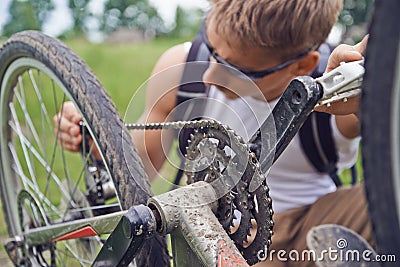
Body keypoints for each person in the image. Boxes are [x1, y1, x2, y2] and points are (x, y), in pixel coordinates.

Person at [53, 0, 371, 266]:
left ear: (302, 66)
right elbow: (141, 166)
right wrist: (96, 142)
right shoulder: (181, 69)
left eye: (234, 70)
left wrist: (373, 87)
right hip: (211, 234)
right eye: (211, 50)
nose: (208, 75)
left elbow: (364, 119)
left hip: (307, 229)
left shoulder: (331, 84)